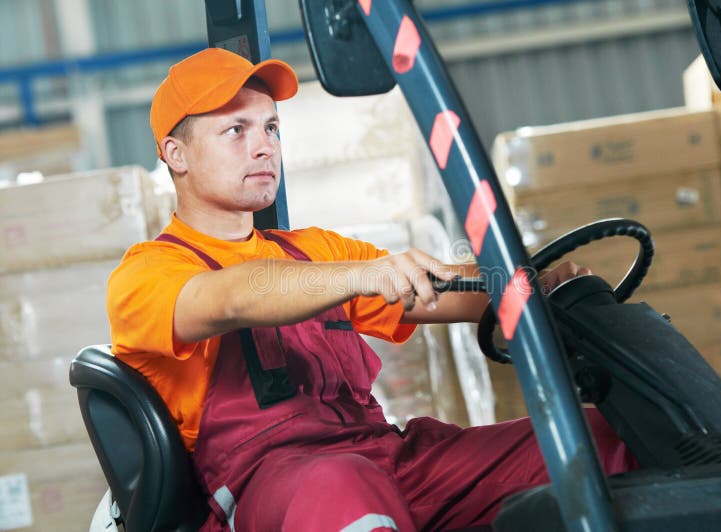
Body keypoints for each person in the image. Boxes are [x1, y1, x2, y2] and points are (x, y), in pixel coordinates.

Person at [107, 47, 635, 532]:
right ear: (176, 154)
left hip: (386, 458)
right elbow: (233, 296)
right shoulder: (147, 273)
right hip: (270, 485)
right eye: (236, 131)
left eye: (271, 128)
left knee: (594, 437)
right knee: (341, 485)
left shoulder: (313, 250)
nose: (265, 147)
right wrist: (361, 274)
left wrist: (533, 285)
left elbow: (443, 286)